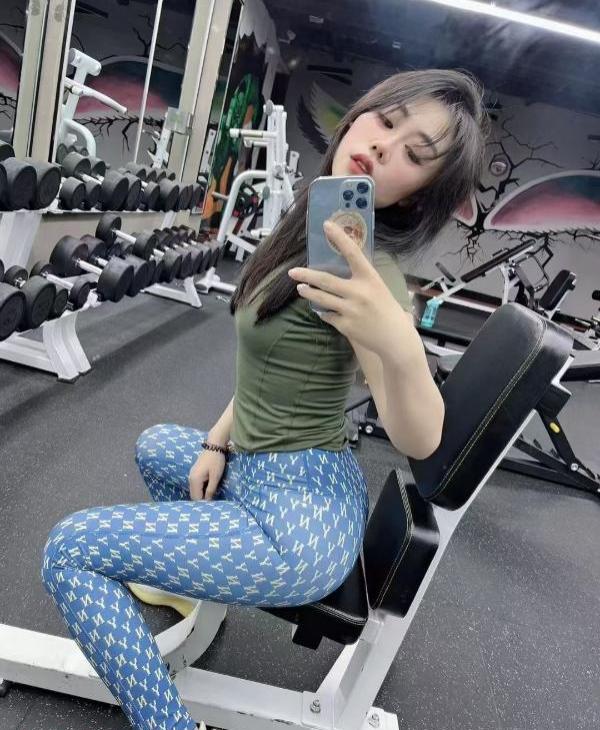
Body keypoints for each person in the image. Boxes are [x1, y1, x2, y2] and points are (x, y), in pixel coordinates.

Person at [41, 69, 489, 730]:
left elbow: (419, 439)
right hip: (258, 467)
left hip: (300, 521)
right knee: (158, 446)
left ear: (418, 195)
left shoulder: (370, 280)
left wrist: (399, 342)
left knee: (70, 552)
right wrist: (218, 441)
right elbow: (264, 369)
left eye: (415, 155)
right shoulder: (311, 229)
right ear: (360, 115)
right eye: (387, 121)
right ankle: (195, 586)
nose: (384, 145)